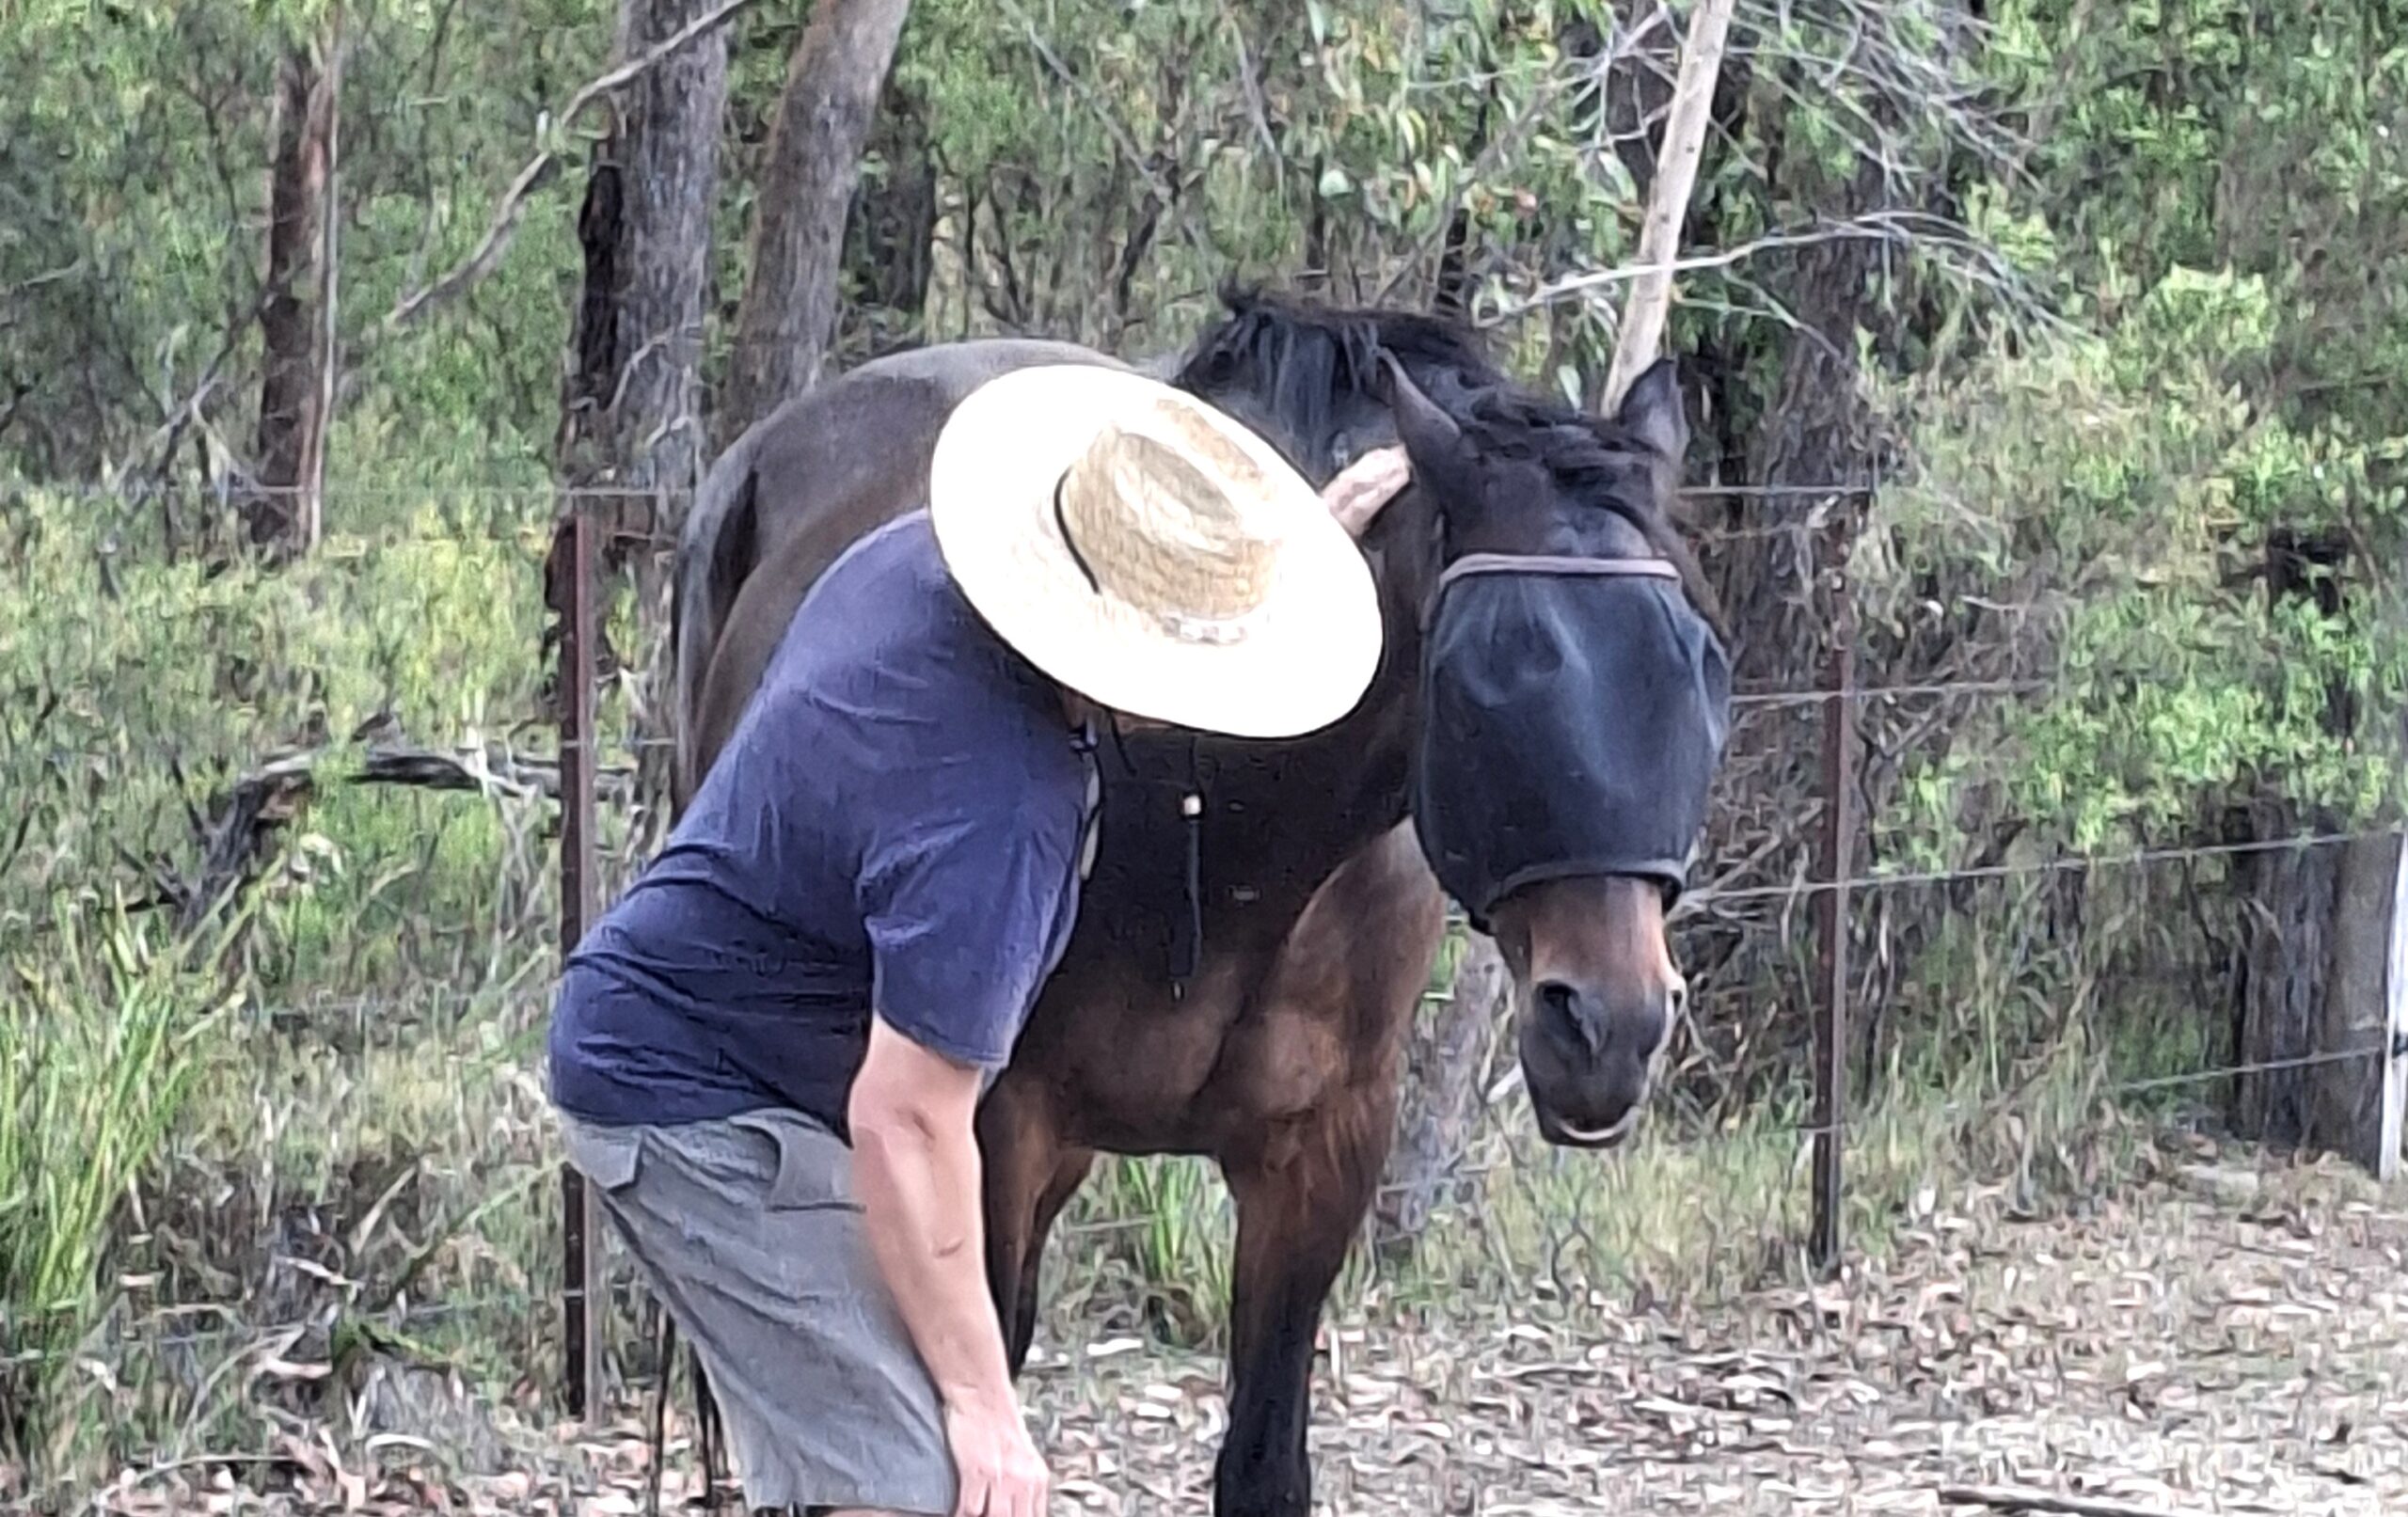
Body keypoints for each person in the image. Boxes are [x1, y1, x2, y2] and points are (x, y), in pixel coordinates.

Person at [545, 362, 1413, 1517]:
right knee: (923, 1481)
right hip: (700, 1112)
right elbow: (907, 1119)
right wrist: (985, 1405)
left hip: (717, 1052)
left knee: (861, 1461)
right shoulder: (1000, 807)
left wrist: (1285, 560)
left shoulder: (917, 561)